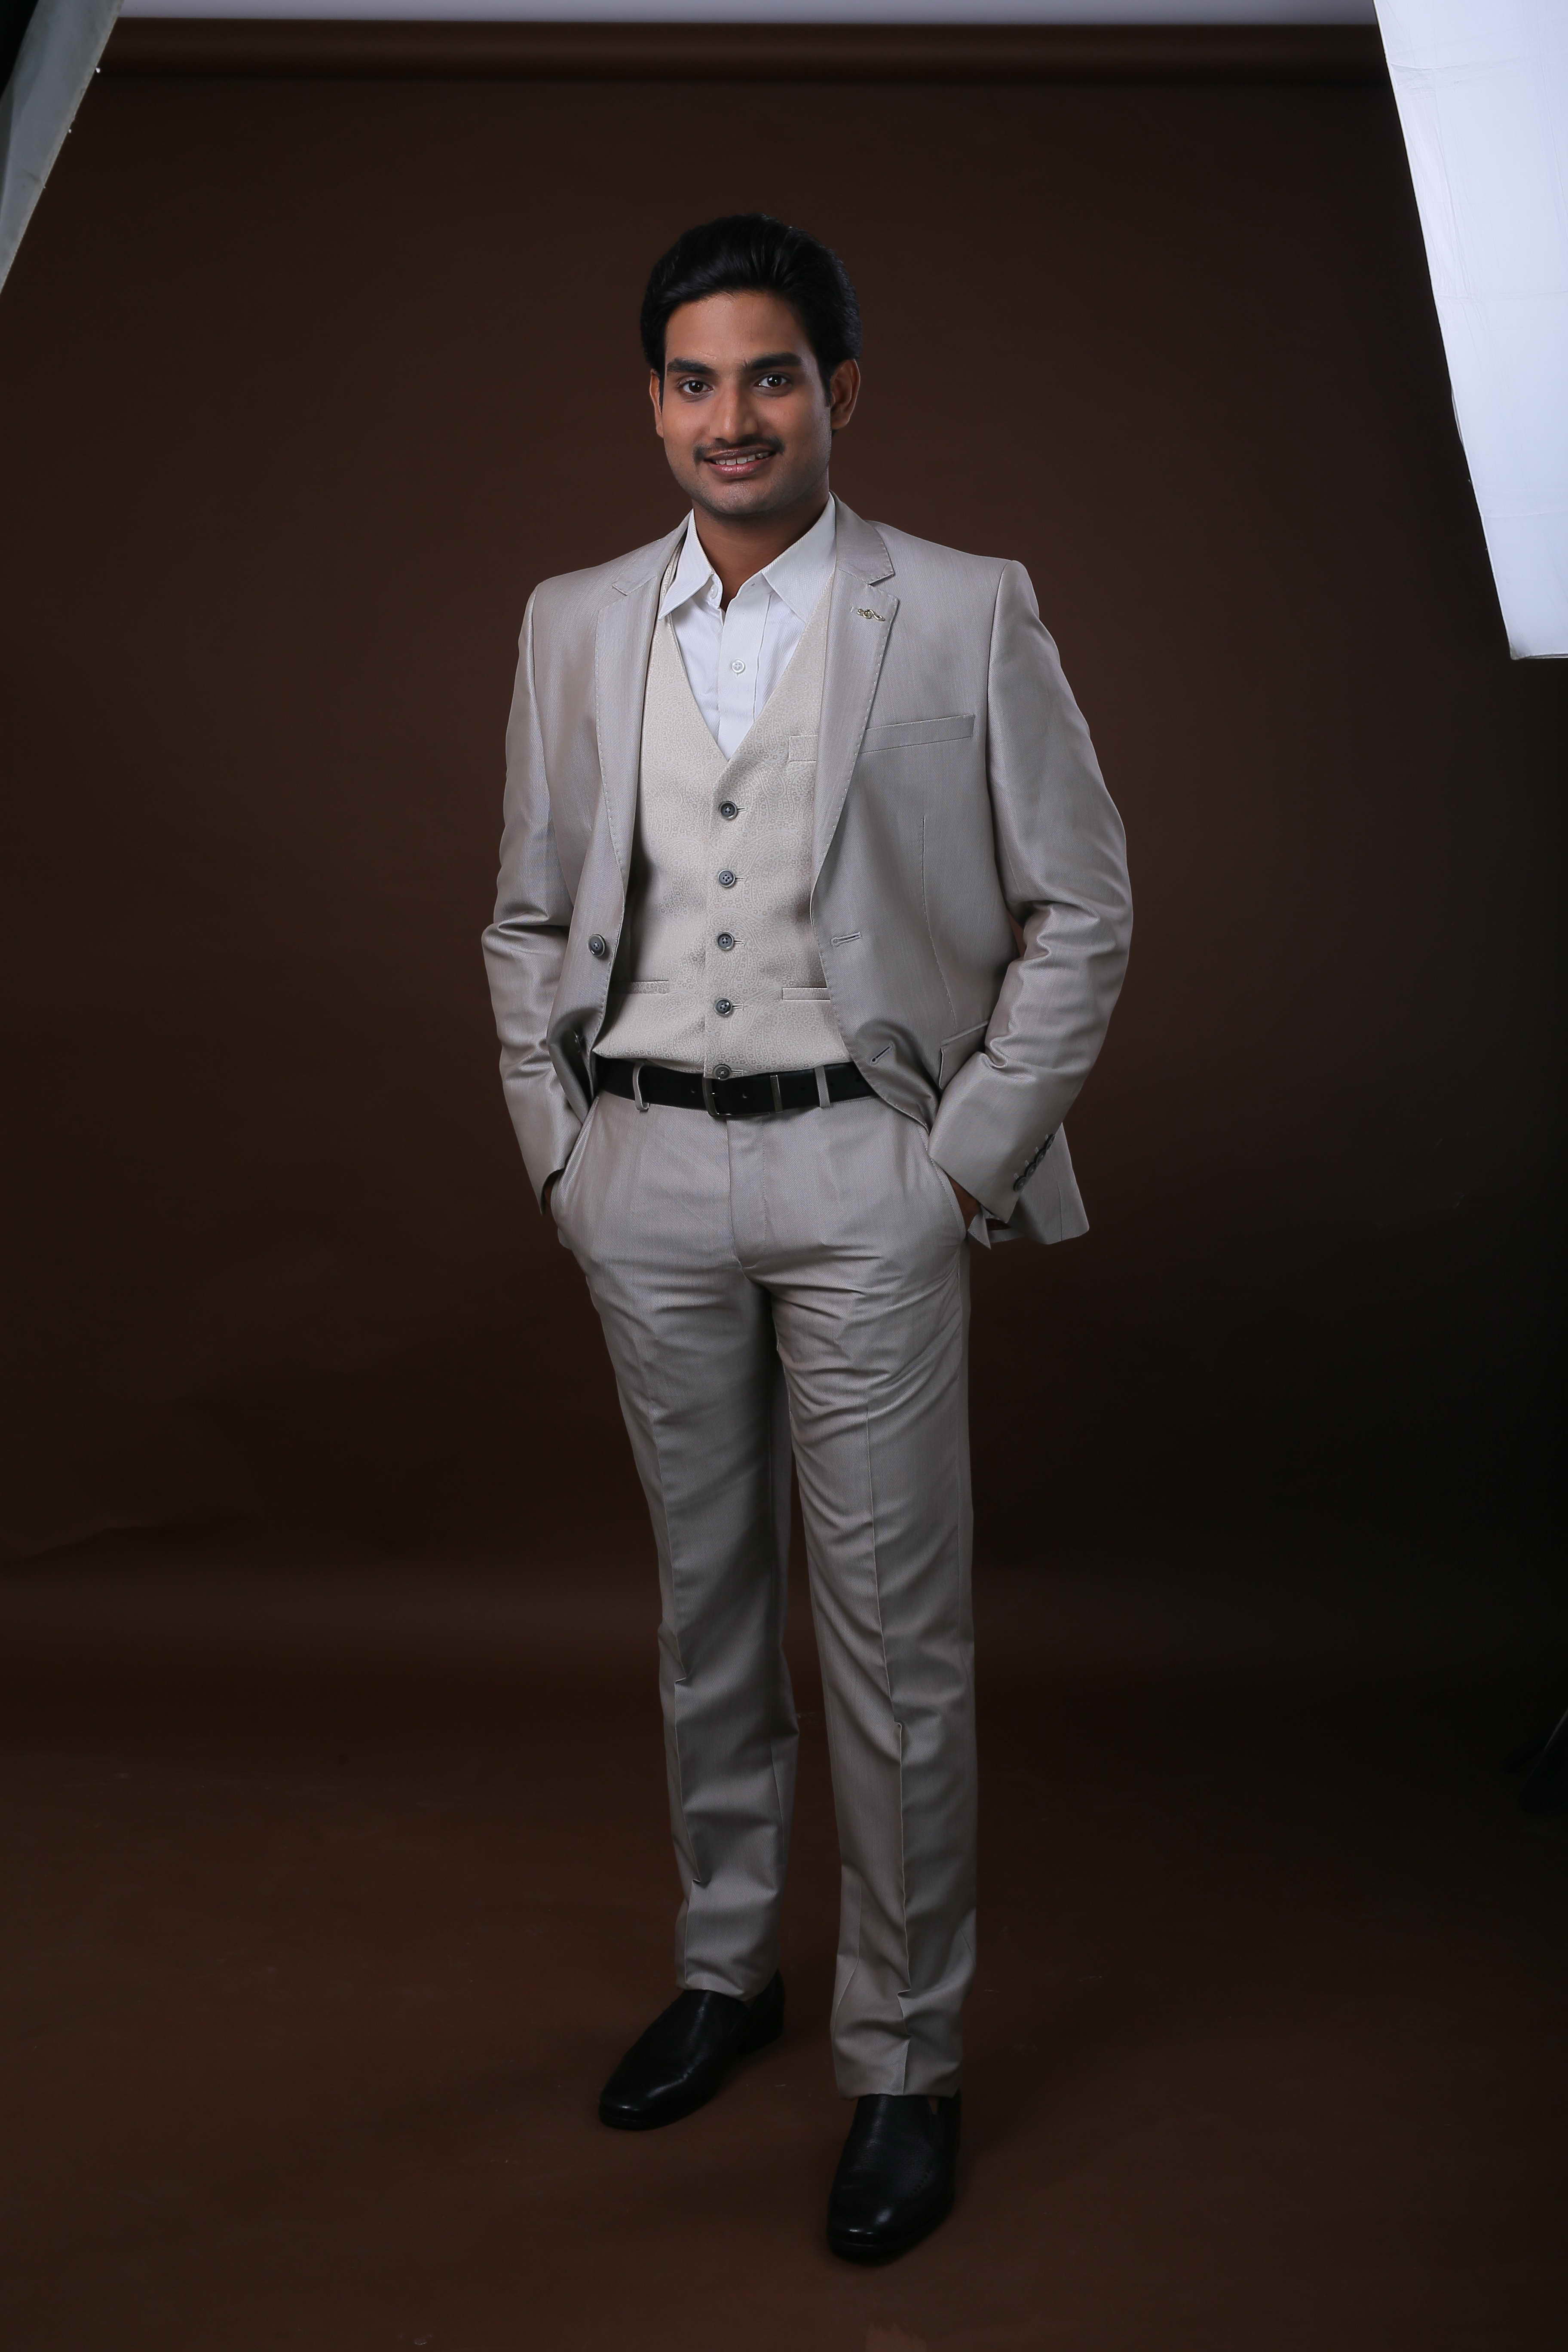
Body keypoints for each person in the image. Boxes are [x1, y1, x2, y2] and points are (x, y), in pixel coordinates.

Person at [483, 214, 1131, 2261]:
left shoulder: (964, 607)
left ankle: (906, 2059)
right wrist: (564, 1157)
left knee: (894, 1641)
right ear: (654, 404)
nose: (731, 417)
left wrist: (964, 1163)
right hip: (646, 1175)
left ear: (838, 394)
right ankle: (727, 1966)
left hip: (871, 1174)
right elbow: (525, 915)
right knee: (707, 1611)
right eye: (694, 381)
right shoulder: (575, 621)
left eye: (770, 376)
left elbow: (1085, 904)